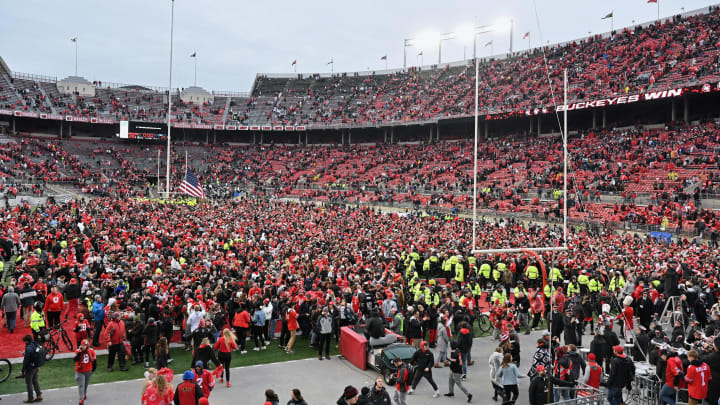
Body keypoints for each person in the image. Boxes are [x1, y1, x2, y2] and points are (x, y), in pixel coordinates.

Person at [20, 334, 43, 403]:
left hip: (30, 368)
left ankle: (30, 398)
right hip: (36, 366)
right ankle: (39, 395)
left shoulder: (28, 348)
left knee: (29, 383)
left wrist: (22, 370)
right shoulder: (35, 344)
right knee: (35, 381)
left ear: (27, 341)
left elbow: (26, 360)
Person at [73, 339, 96, 405]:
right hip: (80, 371)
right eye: (83, 345)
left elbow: (94, 361)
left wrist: (93, 370)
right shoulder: (78, 351)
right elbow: (75, 359)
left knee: (85, 384)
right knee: (81, 385)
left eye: (85, 345)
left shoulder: (91, 351)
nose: (84, 346)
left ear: (87, 346)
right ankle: (81, 399)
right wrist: (80, 352)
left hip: (88, 371)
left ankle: (84, 394)